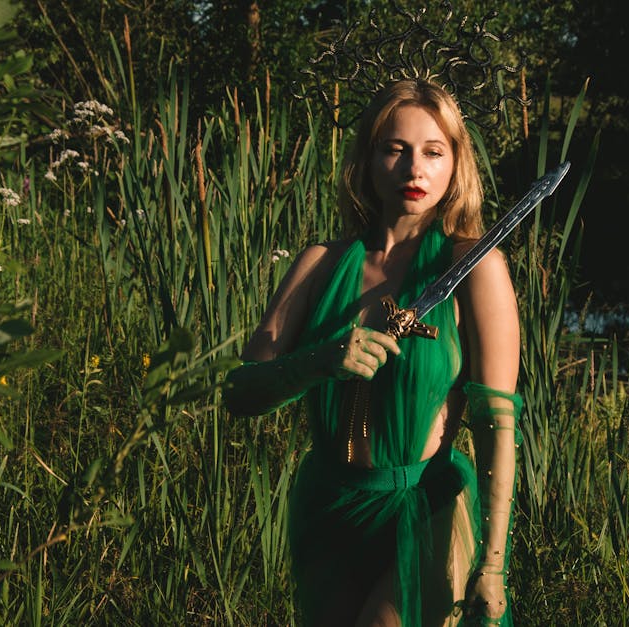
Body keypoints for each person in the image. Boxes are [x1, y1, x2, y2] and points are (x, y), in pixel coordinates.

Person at [224, 78, 522, 626]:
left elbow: (496, 421)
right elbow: (240, 393)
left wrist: (493, 564)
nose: (415, 169)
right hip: (330, 506)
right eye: (396, 149)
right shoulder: (320, 264)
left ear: (456, 164)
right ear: (367, 159)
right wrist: (318, 362)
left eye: (433, 152)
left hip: (426, 505)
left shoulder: (474, 268)